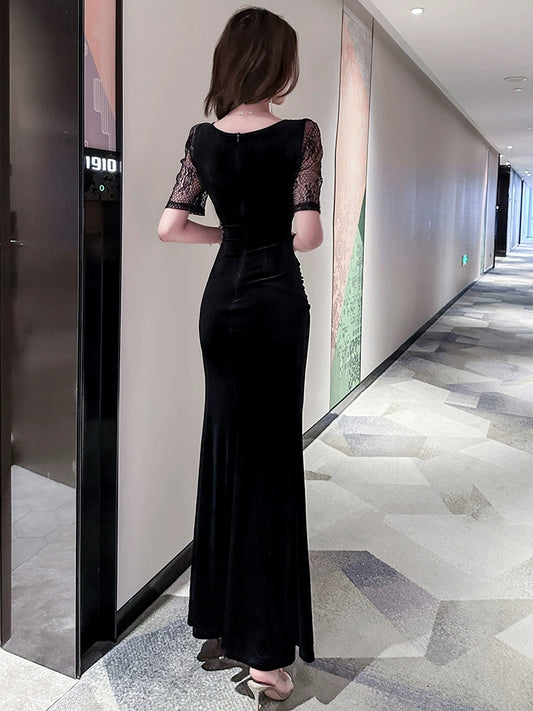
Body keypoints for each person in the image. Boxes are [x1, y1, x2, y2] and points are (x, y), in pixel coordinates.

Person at [157, 6, 323, 708]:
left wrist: (229, 238)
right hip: (276, 306)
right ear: (279, 67)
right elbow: (308, 236)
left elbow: (170, 226)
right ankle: (266, 658)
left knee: (225, 453)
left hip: (221, 308)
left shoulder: (203, 138)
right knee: (271, 464)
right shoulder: (300, 134)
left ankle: (222, 622)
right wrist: (265, 237)